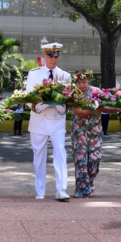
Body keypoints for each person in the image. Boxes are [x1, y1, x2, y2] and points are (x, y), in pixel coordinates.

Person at [25, 42, 71, 202]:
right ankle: (40, 190)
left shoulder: (65, 76)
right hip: (39, 121)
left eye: (56, 56)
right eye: (50, 56)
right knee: (39, 157)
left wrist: (59, 105)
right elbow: (27, 98)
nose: (53, 59)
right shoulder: (34, 74)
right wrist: (42, 104)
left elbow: (68, 101)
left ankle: (61, 189)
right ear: (44, 56)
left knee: (60, 153)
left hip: (57, 121)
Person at [70, 70, 117, 198]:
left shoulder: (97, 92)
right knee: (81, 161)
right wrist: (98, 108)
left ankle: (89, 182)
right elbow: (79, 112)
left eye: (84, 82)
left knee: (94, 161)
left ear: (88, 80)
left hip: (95, 132)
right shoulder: (72, 94)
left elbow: (107, 106)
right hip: (79, 133)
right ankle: (82, 189)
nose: (82, 85)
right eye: (79, 83)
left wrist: (118, 106)